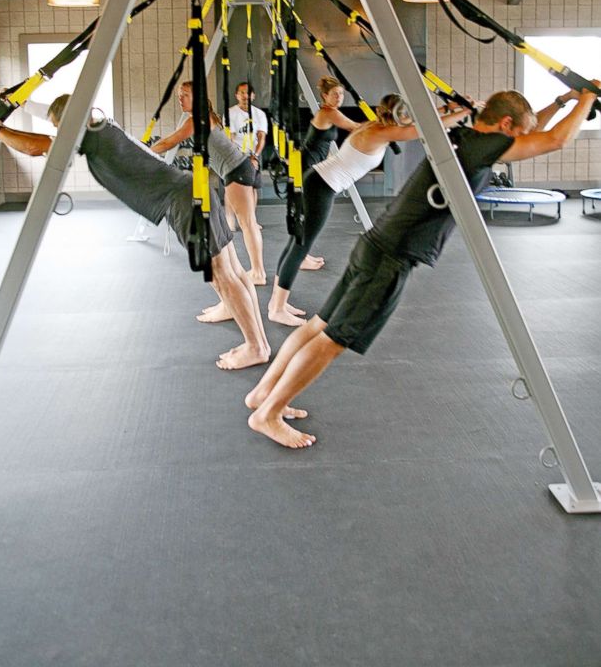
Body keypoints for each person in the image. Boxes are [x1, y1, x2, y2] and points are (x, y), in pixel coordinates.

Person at [245, 84, 600, 448]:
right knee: (333, 341)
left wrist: (561, 101)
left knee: (317, 327)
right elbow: (554, 140)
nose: (524, 140)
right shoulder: (480, 147)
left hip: (374, 244)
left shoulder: (468, 136)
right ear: (506, 125)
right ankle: (268, 413)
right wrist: (587, 96)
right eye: (519, 133)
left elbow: (534, 129)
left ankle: (264, 395)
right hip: (391, 256)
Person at [0, 94, 270, 371]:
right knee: (231, 268)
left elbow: (34, 147)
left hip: (183, 199)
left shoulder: (89, 133)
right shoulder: (100, 124)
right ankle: (240, 318)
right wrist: (17, 105)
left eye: (59, 126)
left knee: (222, 272)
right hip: (191, 190)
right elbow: (56, 114)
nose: (59, 133)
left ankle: (256, 346)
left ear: (70, 120)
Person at [268, 94, 468, 326]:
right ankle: (277, 308)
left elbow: (418, 122)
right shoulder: (381, 132)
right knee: (301, 246)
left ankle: (277, 302)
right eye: (404, 113)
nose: (407, 117)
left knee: (297, 242)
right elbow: (423, 129)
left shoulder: (375, 125)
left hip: (318, 180)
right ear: (396, 115)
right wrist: (464, 112)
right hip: (322, 186)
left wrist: (447, 107)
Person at [151, 81, 266, 288]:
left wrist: (144, 150)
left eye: (185, 94)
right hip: (236, 170)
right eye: (179, 94)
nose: (180, 98)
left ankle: (258, 272)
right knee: (244, 222)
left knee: (247, 223)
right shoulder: (205, 117)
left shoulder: (197, 119)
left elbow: (170, 142)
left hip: (237, 171)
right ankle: (254, 270)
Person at [299, 75, 364, 271]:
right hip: (307, 163)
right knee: (308, 213)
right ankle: (300, 256)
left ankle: (303, 254)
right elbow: (355, 127)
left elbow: (325, 142)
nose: (339, 98)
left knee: (308, 212)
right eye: (335, 94)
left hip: (314, 162)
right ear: (324, 95)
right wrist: (383, 126)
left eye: (341, 94)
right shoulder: (328, 113)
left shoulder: (330, 112)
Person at [228, 82, 268, 205]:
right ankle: (236, 218)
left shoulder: (259, 114)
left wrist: (254, 156)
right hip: (236, 155)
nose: (246, 96)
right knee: (236, 187)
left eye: (248, 93)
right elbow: (230, 138)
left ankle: (252, 218)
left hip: (253, 155)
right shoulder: (231, 113)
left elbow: (261, 137)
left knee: (252, 187)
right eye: (242, 93)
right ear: (237, 95)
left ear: (253, 96)